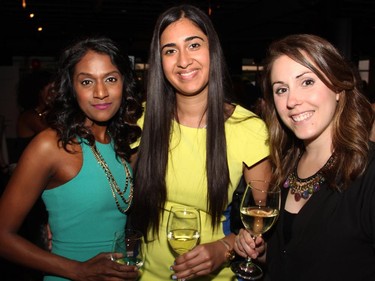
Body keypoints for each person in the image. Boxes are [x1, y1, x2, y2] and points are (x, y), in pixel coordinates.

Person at [129, 4, 271, 281]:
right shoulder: (142, 120)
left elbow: (262, 222)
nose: (183, 60)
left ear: (212, 51)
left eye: (193, 45)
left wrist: (226, 248)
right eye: (170, 50)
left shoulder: (248, 128)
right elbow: (113, 190)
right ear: (160, 61)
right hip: (144, 274)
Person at [234, 34, 375, 281]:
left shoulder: (369, 172)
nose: (292, 101)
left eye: (307, 82)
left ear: (338, 87)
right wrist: (263, 252)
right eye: (281, 89)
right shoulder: (286, 163)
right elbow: (295, 256)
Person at [0, 36, 142, 281]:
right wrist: (77, 270)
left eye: (110, 79)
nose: (100, 92)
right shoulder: (51, 145)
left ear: (124, 84)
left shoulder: (122, 143)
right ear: (72, 88)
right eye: (87, 81)